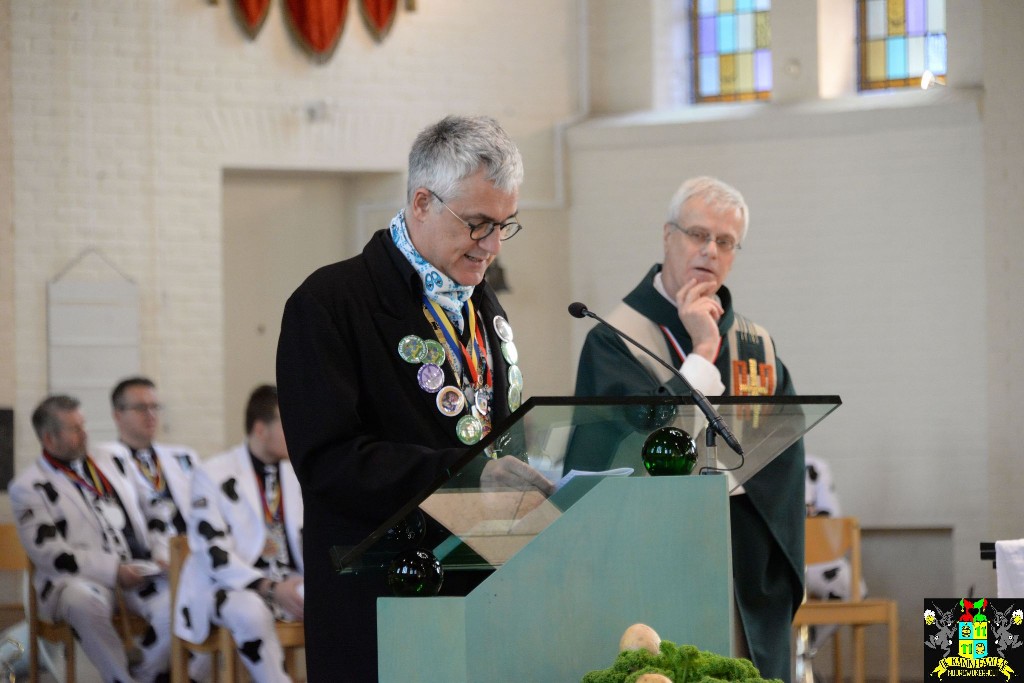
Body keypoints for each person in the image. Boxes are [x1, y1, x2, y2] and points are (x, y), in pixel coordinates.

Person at [276, 114, 553, 681]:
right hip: (382, 607)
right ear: (423, 202)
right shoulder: (330, 303)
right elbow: (329, 463)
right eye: (478, 224)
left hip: (482, 600)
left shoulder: (480, 305)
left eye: (506, 225)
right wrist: (470, 474)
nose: (493, 247)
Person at [571, 176, 805, 682]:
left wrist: (726, 485)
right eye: (698, 234)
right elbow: (616, 450)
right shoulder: (617, 340)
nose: (709, 251)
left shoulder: (756, 347)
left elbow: (784, 459)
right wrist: (700, 355)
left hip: (738, 558)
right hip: (648, 559)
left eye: (725, 242)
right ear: (667, 236)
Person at [9, 395, 173, 682]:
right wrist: (114, 571)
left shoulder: (114, 458)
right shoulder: (28, 487)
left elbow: (155, 506)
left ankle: (146, 675)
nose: (85, 434)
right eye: (75, 429)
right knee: (83, 601)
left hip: (140, 572)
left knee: (180, 601)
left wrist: (160, 552)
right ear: (49, 438)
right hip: (81, 581)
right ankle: (118, 677)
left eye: (83, 425)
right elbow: (51, 554)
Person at [174, 384, 303, 683]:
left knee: (339, 599)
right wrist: (271, 588)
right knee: (251, 612)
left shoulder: (298, 471)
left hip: (289, 580)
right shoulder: (212, 473)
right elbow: (212, 552)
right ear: (260, 429)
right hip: (229, 585)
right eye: (286, 423)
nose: (297, 430)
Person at [92, 377, 199, 566]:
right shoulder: (105, 463)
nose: (150, 415)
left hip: (193, 555)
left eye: (155, 407)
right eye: (141, 408)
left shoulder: (183, 458)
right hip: (146, 565)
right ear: (117, 415)